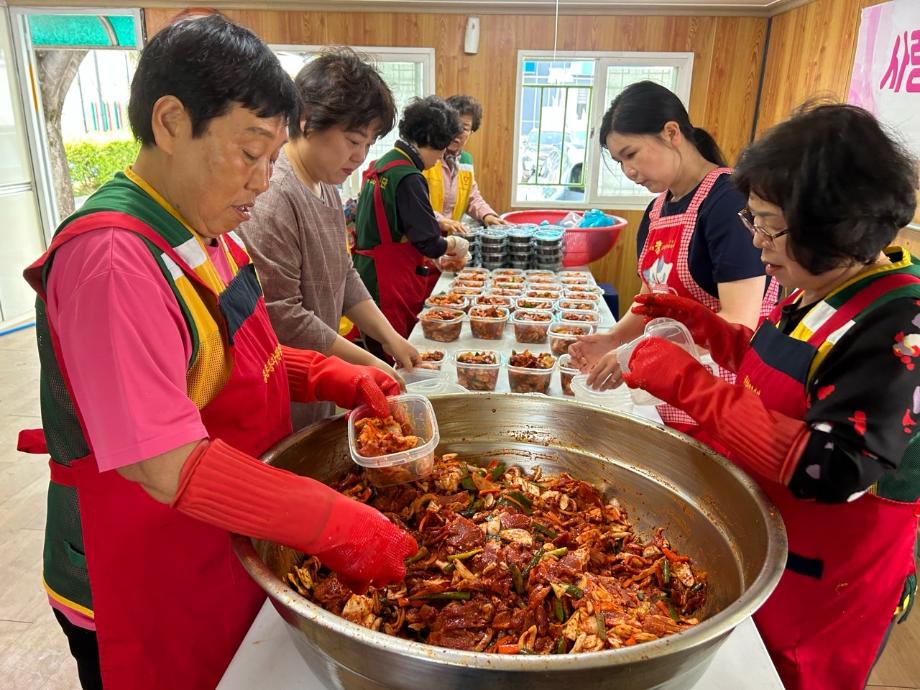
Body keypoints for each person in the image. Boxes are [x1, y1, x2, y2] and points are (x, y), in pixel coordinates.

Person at [16, 17, 416, 690]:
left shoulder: (204, 229)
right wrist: (331, 520)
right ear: (171, 122)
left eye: (273, 156)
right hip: (141, 568)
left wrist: (330, 374)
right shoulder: (113, 259)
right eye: (250, 152)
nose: (264, 182)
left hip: (216, 536)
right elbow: (162, 465)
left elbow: (235, 359)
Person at [621, 103, 920, 690]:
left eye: (770, 225)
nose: (756, 241)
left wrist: (683, 379)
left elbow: (832, 469)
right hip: (768, 530)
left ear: (835, 225)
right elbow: (780, 371)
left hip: (828, 573)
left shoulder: (899, 324)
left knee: (784, 674)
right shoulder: (815, 284)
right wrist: (703, 327)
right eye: (753, 220)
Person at [570, 80, 778, 443]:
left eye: (631, 154)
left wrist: (635, 353)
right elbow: (651, 298)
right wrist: (615, 338)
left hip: (722, 393)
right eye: (619, 162)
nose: (628, 172)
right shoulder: (656, 211)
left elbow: (739, 323)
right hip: (668, 388)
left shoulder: (726, 202)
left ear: (671, 132)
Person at [237, 47, 420, 430]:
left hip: (320, 386)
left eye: (369, 144)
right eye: (353, 140)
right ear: (306, 121)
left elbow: (344, 274)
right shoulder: (275, 195)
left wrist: (390, 338)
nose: (360, 155)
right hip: (284, 393)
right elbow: (282, 315)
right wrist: (367, 362)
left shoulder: (326, 184)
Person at [353, 95, 470, 345]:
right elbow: (428, 242)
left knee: (377, 345)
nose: (440, 158)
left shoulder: (383, 163)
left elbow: (399, 220)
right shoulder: (408, 175)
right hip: (387, 282)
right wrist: (454, 245)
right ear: (432, 140)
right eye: (441, 150)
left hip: (367, 272)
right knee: (393, 352)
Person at [422, 94, 506, 234]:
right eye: (454, 125)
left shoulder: (466, 160)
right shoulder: (427, 156)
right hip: (424, 235)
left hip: (450, 240)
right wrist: (440, 220)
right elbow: (415, 202)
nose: (458, 132)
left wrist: (488, 215)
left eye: (465, 128)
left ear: (471, 132)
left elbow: (472, 198)